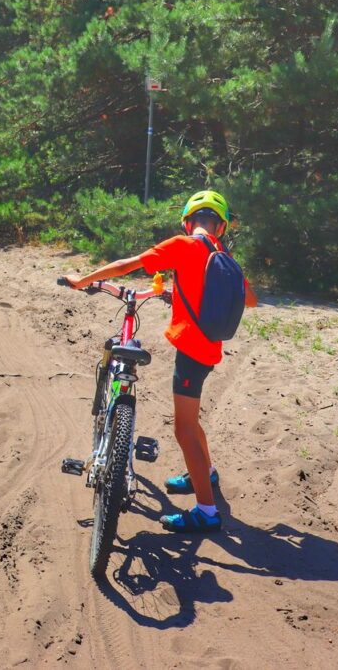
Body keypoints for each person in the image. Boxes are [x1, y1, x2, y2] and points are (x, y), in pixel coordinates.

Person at [62, 190, 258, 534]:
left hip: (192, 350)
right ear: (221, 226)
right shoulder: (222, 252)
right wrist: (186, 294)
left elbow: (129, 265)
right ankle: (206, 473)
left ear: (187, 221)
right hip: (210, 347)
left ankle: (206, 512)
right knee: (191, 420)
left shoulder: (184, 245)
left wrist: (84, 280)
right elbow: (250, 299)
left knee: (183, 429)